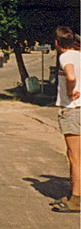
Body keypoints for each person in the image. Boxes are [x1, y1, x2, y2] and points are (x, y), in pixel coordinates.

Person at [51, 26, 80, 213]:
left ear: (57, 43)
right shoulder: (79, 54)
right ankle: (72, 193)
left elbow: (70, 75)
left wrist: (70, 91)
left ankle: (76, 199)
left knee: (74, 156)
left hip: (72, 110)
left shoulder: (65, 57)